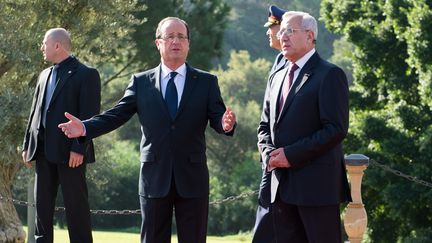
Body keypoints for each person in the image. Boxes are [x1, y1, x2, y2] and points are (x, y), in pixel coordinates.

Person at [58, 17, 236, 243]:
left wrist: (225, 124)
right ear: (158, 43)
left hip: (193, 179)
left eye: (181, 37)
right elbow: (116, 115)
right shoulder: (141, 82)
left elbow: (219, 118)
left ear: (188, 44)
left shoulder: (206, 82)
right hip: (154, 177)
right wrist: (84, 127)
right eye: (170, 36)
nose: (176, 41)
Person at [257, 11, 351, 243]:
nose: (283, 35)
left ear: (309, 36)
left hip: (316, 190)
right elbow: (264, 127)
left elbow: (335, 129)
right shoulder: (277, 75)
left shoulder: (329, 75)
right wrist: (268, 153)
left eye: (290, 30)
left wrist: (290, 155)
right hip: (278, 186)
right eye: (282, 31)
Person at [22, 28, 101, 243]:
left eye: (44, 43)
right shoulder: (44, 74)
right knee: (42, 207)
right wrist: (27, 145)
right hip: (42, 152)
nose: (42, 47)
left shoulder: (87, 74)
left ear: (57, 45)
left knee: (76, 208)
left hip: (71, 154)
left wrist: (79, 147)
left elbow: (89, 117)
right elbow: (35, 112)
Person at [252, 5, 286, 243]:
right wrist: (265, 151)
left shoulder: (295, 65)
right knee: (265, 223)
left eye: (271, 27)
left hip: (291, 161)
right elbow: (266, 118)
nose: (268, 33)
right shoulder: (278, 62)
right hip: (271, 161)